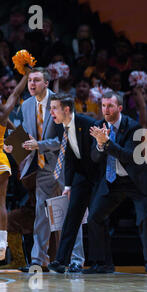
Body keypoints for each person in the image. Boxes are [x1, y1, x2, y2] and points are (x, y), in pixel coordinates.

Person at [19, 67, 85, 271]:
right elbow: (27, 136)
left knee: (71, 212)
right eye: (30, 80)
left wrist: (38, 144)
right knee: (41, 212)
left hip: (64, 163)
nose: (31, 84)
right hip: (41, 166)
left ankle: (76, 260)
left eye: (36, 80)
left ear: (46, 83)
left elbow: (61, 138)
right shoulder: (26, 105)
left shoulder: (59, 101)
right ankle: (39, 261)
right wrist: (16, 146)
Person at [87, 91, 147, 274]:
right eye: (103, 105)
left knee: (144, 219)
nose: (106, 109)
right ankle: (102, 263)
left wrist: (107, 143)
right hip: (113, 180)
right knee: (94, 217)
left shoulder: (133, 126)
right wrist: (100, 145)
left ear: (119, 108)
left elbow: (128, 157)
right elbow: (94, 158)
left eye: (110, 106)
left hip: (136, 181)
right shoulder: (98, 125)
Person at [47, 93, 98, 273]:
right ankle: (61, 261)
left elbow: (98, 156)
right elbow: (69, 158)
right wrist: (68, 185)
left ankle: (101, 263)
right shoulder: (63, 126)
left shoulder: (87, 123)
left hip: (97, 178)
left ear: (66, 109)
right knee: (71, 217)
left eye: (54, 108)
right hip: (80, 177)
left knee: (96, 219)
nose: (51, 111)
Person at [0, 67, 30, 259]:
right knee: (0, 203)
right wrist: (27, 75)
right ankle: (1, 245)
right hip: (1, 160)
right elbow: (16, 93)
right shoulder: (3, 115)